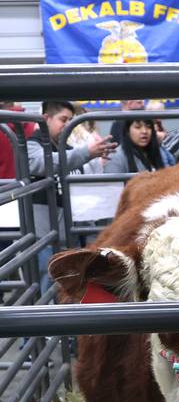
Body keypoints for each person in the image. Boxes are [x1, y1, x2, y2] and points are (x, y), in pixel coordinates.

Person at [27, 100, 116, 288]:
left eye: (71, 121)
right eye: (63, 120)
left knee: (71, 287)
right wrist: (87, 153)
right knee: (49, 285)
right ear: (45, 119)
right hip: (45, 236)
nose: (68, 126)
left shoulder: (68, 151)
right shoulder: (31, 146)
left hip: (71, 235)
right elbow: (45, 164)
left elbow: (81, 189)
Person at [145, 100, 177, 166]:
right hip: (153, 148)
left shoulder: (158, 123)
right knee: (163, 159)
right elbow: (157, 136)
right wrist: (162, 135)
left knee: (171, 158)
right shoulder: (149, 123)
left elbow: (164, 134)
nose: (162, 115)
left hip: (160, 146)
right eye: (160, 112)